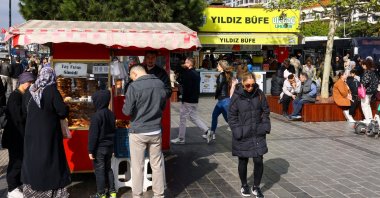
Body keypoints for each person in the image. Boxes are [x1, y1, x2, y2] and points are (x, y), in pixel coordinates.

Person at [21, 67, 70, 197]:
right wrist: (67, 107)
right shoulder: (52, 90)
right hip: (48, 135)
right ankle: (50, 192)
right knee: (50, 160)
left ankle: (33, 191)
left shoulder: (31, 91)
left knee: (34, 159)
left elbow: (24, 111)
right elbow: (62, 111)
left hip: (31, 134)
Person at [122, 65, 166, 198]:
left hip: (138, 131)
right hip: (155, 130)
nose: (132, 80)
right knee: (157, 164)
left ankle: (137, 195)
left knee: (137, 166)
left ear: (134, 74)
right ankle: (159, 195)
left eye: (131, 77)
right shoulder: (159, 83)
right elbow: (163, 105)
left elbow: (126, 111)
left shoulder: (134, 87)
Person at [228, 72, 270, 198]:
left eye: (252, 85)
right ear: (242, 83)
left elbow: (266, 111)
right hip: (242, 133)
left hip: (257, 132)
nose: (250, 87)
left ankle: (256, 187)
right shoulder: (236, 96)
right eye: (247, 85)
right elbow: (231, 116)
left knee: (258, 160)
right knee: (243, 160)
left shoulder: (259, 93)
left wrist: (265, 127)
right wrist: (237, 131)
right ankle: (244, 184)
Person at [1, 72, 35, 198]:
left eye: (32, 82)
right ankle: (11, 188)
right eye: (29, 82)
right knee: (16, 162)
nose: (31, 84)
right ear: (23, 82)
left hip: (19, 136)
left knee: (20, 161)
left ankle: (18, 185)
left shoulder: (22, 95)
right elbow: (18, 117)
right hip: (15, 136)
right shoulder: (15, 97)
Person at [171, 57, 210, 145]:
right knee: (193, 117)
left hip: (188, 99)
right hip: (195, 99)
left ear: (189, 63)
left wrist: (183, 99)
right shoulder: (196, 73)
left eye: (185, 62)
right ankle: (207, 131)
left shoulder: (188, 73)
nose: (184, 64)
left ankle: (181, 138)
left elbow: (185, 86)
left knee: (183, 118)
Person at [88, 90, 116, 198]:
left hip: (99, 148)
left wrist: (90, 150)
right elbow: (114, 131)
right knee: (108, 169)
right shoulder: (111, 114)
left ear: (97, 102)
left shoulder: (96, 116)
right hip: (109, 146)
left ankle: (101, 193)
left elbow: (93, 135)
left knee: (99, 171)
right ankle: (112, 192)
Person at [205, 60, 237, 143]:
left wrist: (216, 95)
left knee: (228, 119)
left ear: (222, 67)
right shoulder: (228, 74)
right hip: (224, 101)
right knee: (218, 116)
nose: (217, 67)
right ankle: (212, 133)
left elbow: (219, 87)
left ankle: (239, 135)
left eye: (218, 65)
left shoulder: (221, 75)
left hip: (223, 101)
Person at [360, 58, 379, 123]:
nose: (362, 66)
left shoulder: (367, 72)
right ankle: (370, 118)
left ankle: (367, 119)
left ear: (365, 65)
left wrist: (361, 84)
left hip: (366, 91)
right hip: (372, 91)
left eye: (362, 65)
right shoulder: (372, 72)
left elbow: (365, 81)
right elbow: (376, 81)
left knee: (364, 104)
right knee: (367, 104)